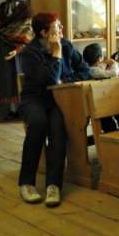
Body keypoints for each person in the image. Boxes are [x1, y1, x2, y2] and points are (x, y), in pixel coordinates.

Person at [18, 12, 91, 207]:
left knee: (58, 129)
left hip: (58, 101)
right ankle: (26, 183)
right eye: (57, 27)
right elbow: (49, 79)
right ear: (43, 32)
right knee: (38, 123)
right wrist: (56, 54)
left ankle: (53, 185)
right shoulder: (29, 53)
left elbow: (85, 70)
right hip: (34, 99)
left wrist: (64, 81)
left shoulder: (66, 45)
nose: (61, 29)